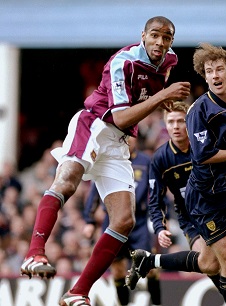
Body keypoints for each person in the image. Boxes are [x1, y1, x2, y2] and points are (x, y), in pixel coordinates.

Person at [19, 16, 190, 306]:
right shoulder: (122, 62)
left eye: (167, 37)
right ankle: (34, 252)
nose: (161, 43)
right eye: (155, 36)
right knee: (67, 181)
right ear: (143, 36)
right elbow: (121, 115)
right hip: (95, 125)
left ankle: (77, 292)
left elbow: (143, 103)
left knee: (124, 221)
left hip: (120, 141)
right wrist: (163, 95)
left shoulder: (169, 61)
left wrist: (166, 101)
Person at [126, 43, 226, 306]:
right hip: (204, 199)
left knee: (214, 264)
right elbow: (203, 156)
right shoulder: (199, 110)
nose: (214, 76)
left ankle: (148, 260)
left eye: (219, 69)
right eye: (208, 71)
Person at [83, 137, 162, 306]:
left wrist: (163, 216)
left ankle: (157, 303)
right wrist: (89, 220)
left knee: (150, 266)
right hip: (113, 222)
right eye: (123, 137)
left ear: (136, 138)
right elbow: (95, 189)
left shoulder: (146, 161)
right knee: (117, 269)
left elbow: (157, 188)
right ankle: (123, 304)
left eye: (130, 137)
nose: (127, 141)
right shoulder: (107, 160)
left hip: (138, 222)